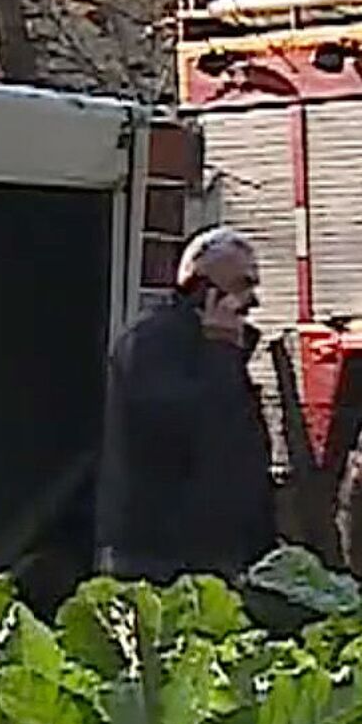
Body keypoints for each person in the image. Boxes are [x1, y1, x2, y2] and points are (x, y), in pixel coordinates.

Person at [94, 225, 277, 583]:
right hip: (158, 558)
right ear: (204, 292)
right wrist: (220, 353)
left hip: (216, 552)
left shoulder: (223, 350)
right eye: (242, 285)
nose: (253, 301)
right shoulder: (149, 345)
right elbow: (191, 427)